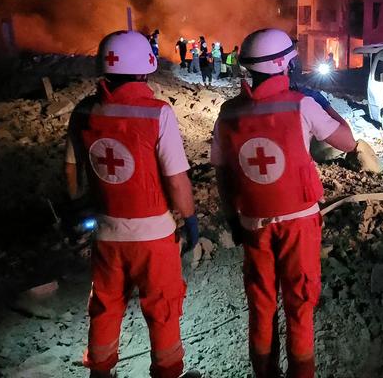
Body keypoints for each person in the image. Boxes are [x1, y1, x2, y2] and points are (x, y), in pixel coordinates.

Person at [211, 28, 358, 378]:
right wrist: (325, 106)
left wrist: (232, 216)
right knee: (300, 304)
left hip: (252, 223)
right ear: (282, 64)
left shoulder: (228, 112)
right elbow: (349, 143)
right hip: (299, 224)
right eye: (290, 61)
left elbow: (221, 172)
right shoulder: (302, 104)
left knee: (261, 305)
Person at [64, 30, 200, 378]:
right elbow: (176, 178)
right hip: (153, 237)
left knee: (105, 305)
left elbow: (70, 168)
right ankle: (167, 372)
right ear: (145, 68)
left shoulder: (82, 112)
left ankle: (100, 370)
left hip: (107, 233)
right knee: (163, 306)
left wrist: (75, 205)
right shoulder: (157, 114)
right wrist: (190, 218)